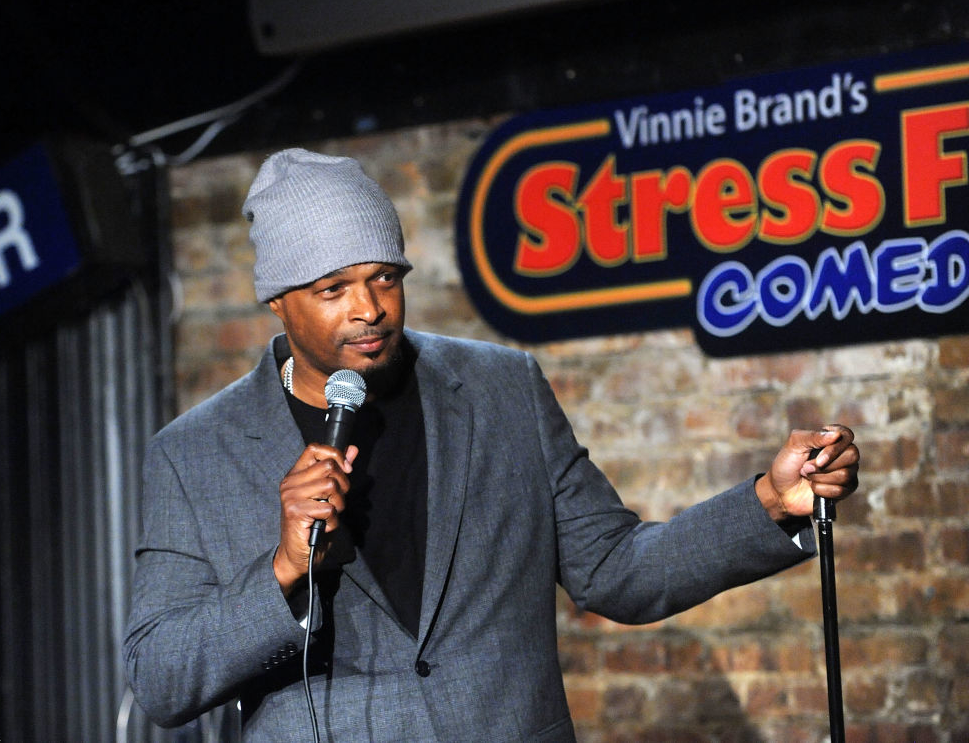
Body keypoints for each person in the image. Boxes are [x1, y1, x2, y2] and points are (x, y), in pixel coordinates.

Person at [123, 148, 860, 741]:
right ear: (277, 300)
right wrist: (283, 568)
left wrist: (768, 501)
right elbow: (162, 678)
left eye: (384, 277)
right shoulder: (194, 455)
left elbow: (615, 570)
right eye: (333, 288)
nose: (370, 308)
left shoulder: (501, 388)